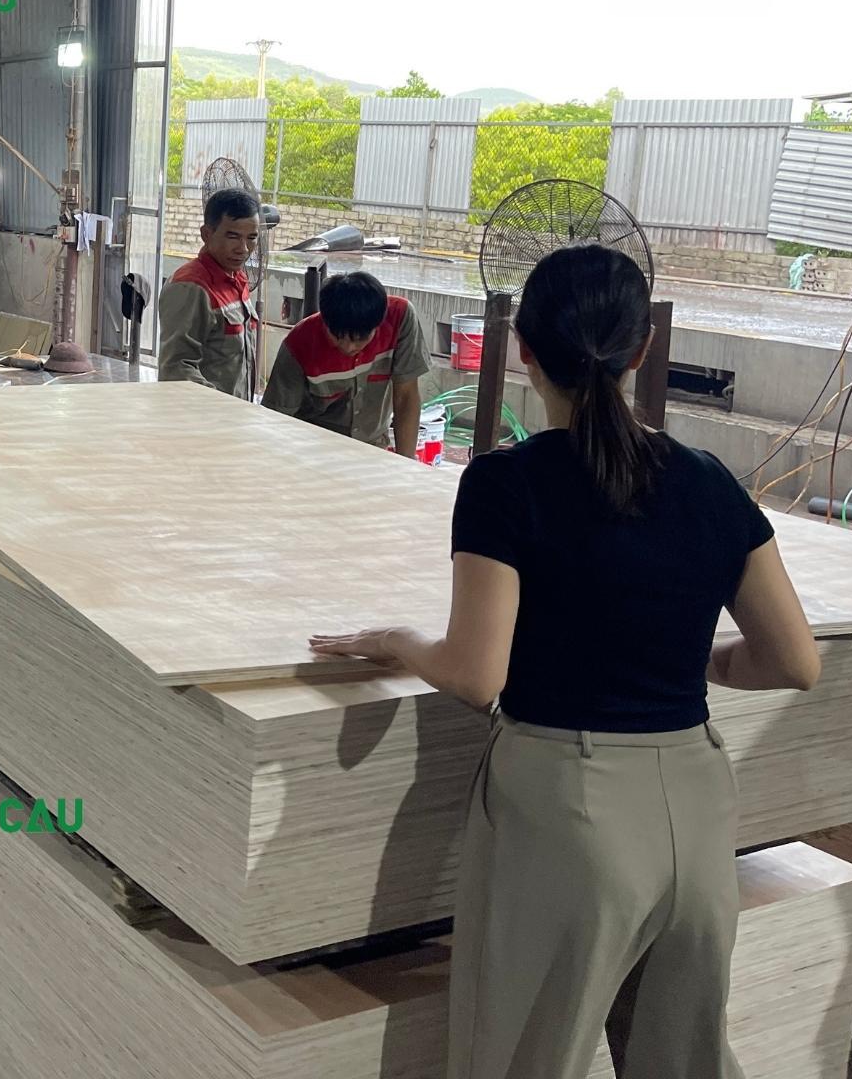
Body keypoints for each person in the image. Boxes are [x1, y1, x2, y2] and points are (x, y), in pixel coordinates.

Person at [307, 244, 822, 1079]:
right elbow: (796, 662)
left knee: (518, 1060)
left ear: (524, 352)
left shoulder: (507, 484)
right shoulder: (710, 481)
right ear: (641, 350)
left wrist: (397, 641)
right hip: (695, 809)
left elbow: (478, 674)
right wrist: (704, 665)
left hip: (567, 810)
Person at [262, 270, 429, 456]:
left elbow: (406, 396)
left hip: (373, 447)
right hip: (313, 449)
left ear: (378, 324)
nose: (349, 347)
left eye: (360, 338)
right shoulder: (299, 343)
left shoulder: (401, 318)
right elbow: (276, 418)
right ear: (325, 320)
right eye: (337, 337)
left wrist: (405, 463)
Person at [158, 188, 261, 395]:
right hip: (205, 420)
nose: (243, 248)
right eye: (233, 237)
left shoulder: (237, 278)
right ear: (206, 234)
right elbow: (176, 369)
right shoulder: (190, 287)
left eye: (251, 238)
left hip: (235, 417)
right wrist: (220, 408)